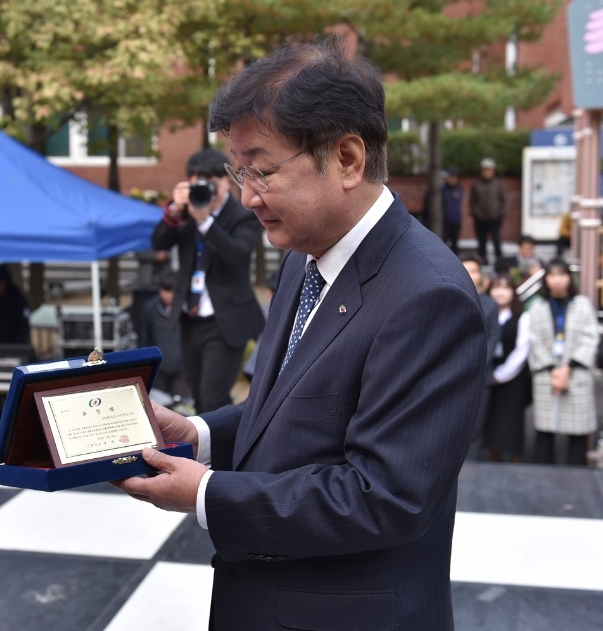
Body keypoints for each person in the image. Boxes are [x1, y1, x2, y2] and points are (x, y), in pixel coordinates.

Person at [113, 37, 486, 630]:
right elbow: (294, 403)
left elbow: (383, 497)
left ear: (347, 159)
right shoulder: (305, 255)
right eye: (238, 170)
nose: (245, 195)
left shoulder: (428, 296)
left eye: (261, 170)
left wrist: (206, 493)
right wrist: (203, 433)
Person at [151, 148, 265, 413]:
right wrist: (174, 209)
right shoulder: (187, 210)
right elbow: (159, 242)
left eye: (213, 184)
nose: (207, 192)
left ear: (226, 182)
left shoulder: (242, 214)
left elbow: (237, 255)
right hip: (190, 317)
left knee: (212, 397)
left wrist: (205, 223)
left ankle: (225, 450)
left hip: (225, 320)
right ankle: (211, 449)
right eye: (199, 184)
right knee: (198, 396)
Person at [527, 259, 599, 466]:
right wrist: (553, 370)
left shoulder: (582, 304)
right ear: (545, 279)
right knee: (544, 429)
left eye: (562, 274)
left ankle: (577, 477)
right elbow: (534, 340)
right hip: (546, 373)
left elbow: (590, 336)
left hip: (576, 372)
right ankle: (543, 474)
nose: (557, 280)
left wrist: (567, 369)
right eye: (552, 275)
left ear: (570, 277)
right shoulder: (537, 307)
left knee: (577, 430)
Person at [483, 274, 533, 462]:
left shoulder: (523, 316)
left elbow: (522, 350)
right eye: (496, 287)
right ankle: (492, 456)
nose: (500, 292)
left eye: (505, 288)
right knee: (491, 417)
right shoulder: (485, 312)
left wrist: (501, 375)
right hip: (488, 372)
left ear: (514, 292)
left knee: (511, 419)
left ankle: (516, 459)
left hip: (513, 376)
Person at [461, 255, 502, 444]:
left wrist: (474, 363)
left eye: (475, 270)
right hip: (450, 373)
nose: (471, 274)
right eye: (466, 269)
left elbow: (493, 337)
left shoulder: (490, 304)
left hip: (480, 374)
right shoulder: (448, 295)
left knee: (476, 429)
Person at [138, 270, 192, 407]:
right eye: (163, 289)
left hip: (183, 371)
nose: (165, 295)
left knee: (184, 409)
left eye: (170, 290)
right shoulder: (150, 309)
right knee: (158, 408)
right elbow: (143, 339)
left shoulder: (189, 309)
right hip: (158, 371)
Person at [470, 156, 507, 264]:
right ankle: (482, 260)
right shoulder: (476, 183)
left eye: (489, 170)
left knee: (496, 239)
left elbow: (503, 199)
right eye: (484, 170)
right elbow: (472, 200)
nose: (487, 172)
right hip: (480, 218)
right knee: (481, 241)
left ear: (493, 171)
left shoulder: (498, 183)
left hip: (495, 217)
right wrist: (475, 212)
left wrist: (501, 213)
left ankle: (499, 260)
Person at [441, 167, 463, 253]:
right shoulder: (442, 189)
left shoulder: (459, 189)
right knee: (444, 242)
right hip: (445, 220)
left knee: (455, 243)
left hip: (456, 220)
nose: (452, 180)